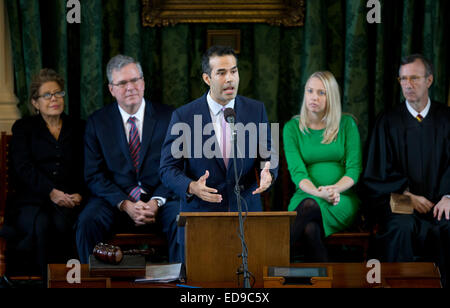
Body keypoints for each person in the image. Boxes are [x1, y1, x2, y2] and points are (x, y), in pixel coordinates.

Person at [159, 45, 278, 259]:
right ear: (207, 78)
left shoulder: (255, 110)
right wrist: (191, 186)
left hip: (247, 217)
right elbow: (167, 169)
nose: (230, 78)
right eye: (221, 73)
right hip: (201, 220)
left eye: (234, 71)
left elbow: (268, 154)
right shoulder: (183, 116)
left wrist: (268, 172)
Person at [75, 55, 181, 263]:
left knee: (182, 219)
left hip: (159, 197)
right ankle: (95, 283)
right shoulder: (98, 122)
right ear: (111, 89)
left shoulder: (169, 117)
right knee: (87, 222)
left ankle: (181, 283)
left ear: (143, 82)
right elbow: (94, 175)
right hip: (116, 199)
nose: (130, 87)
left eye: (135, 80)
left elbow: (177, 167)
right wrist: (124, 204)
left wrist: (156, 202)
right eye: (122, 83)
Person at [363, 54, 450, 287]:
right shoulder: (387, 121)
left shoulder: (447, 119)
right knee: (402, 226)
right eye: (403, 79)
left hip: (440, 202)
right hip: (399, 199)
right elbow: (375, 176)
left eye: (414, 78)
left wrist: (449, 197)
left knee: (447, 225)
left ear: (429, 80)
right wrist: (408, 196)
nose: (408, 85)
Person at [0, 68, 85, 280]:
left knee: (66, 224)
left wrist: (81, 194)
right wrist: (51, 192)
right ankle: (40, 283)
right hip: (33, 198)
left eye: (58, 93)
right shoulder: (23, 128)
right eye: (47, 95)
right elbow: (23, 168)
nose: (54, 99)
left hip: (70, 199)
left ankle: (71, 283)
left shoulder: (79, 127)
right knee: (42, 225)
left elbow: (88, 167)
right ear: (35, 103)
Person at [283, 71, 362, 262]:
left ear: (331, 96)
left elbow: (354, 170)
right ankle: (323, 281)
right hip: (305, 195)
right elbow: (297, 172)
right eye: (310, 91)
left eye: (321, 92)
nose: (314, 97)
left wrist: (333, 190)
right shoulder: (292, 128)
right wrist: (319, 194)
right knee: (310, 227)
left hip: (340, 198)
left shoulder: (347, 124)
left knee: (310, 217)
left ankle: (272, 257)